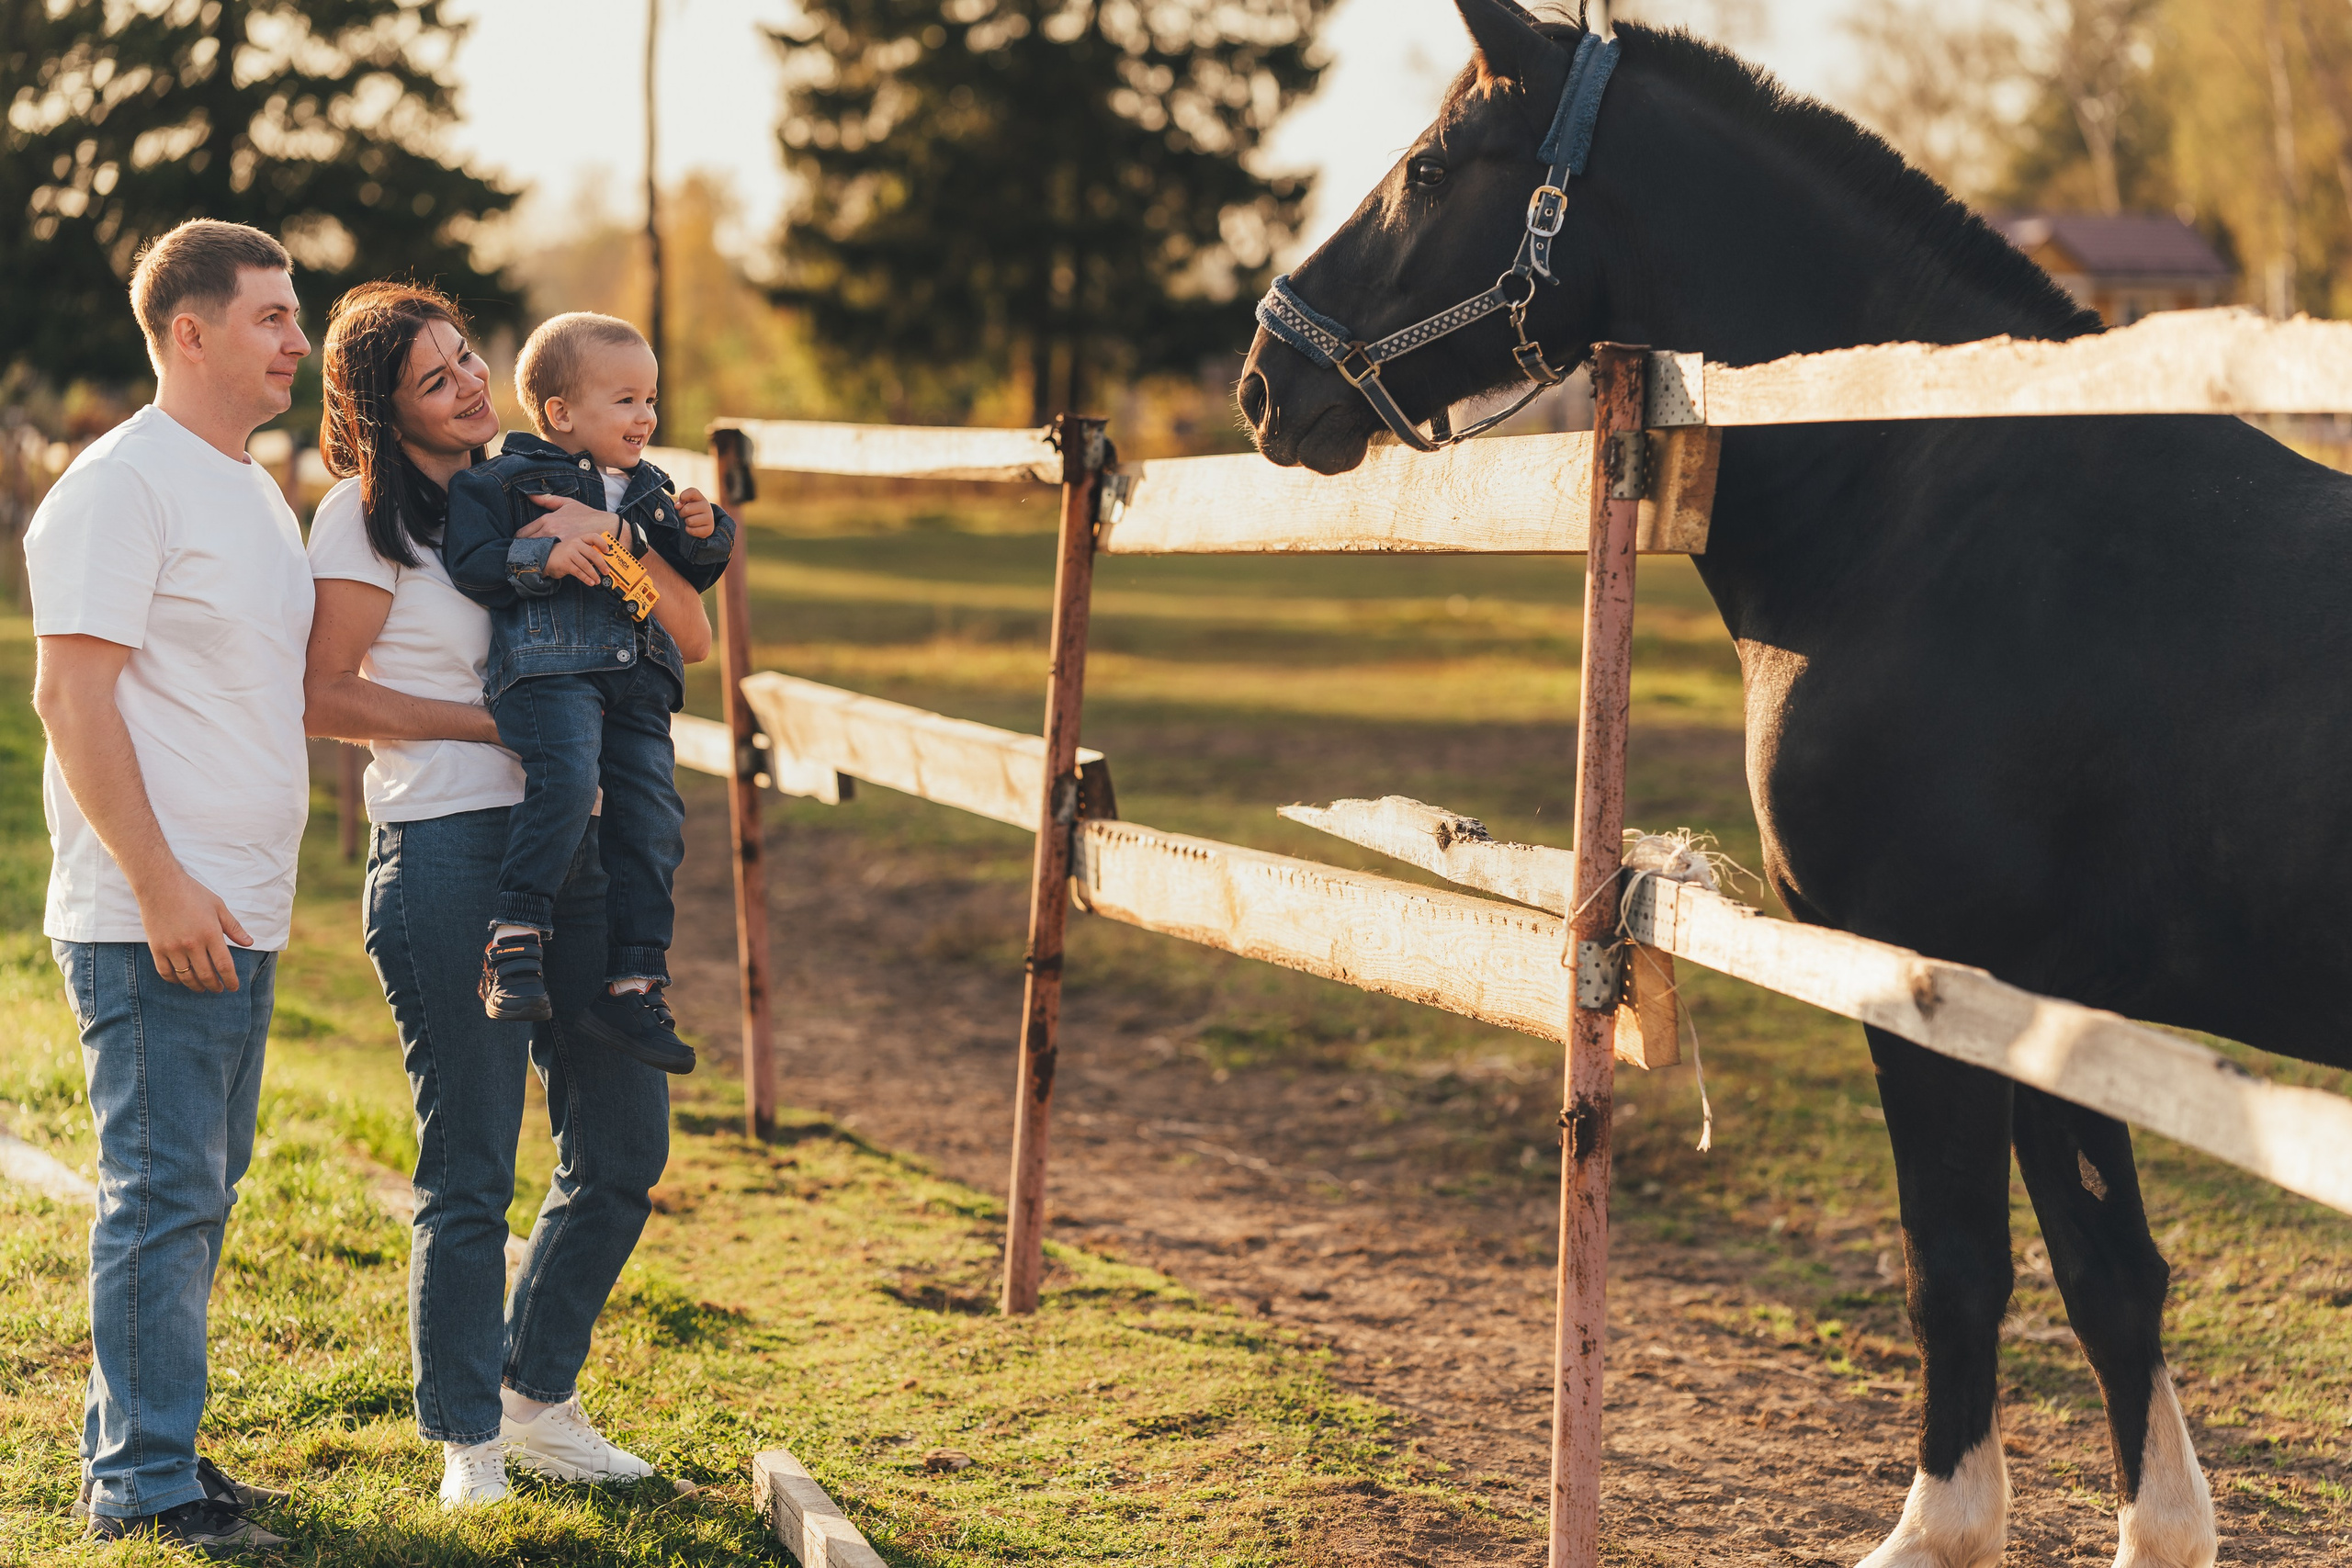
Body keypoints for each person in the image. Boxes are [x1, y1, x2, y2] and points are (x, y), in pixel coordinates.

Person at [303, 284, 711, 1506]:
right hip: (447, 849)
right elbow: (326, 694)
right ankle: (467, 1437)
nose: (470, 386)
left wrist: (614, 546)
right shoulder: (362, 521)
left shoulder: (557, 479)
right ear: (384, 411)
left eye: (469, 358)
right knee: (472, 1163)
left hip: (581, 853)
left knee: (624, 1146)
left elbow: (690, 634)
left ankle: (538, 1400)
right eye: (435, 380)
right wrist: (498, 725)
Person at [27, 220, 305, 1551]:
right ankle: (142, 1483)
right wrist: (160, 884)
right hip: (156, 917)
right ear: (188, 332)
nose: (298, 341)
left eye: (295, 314)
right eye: (271, 317)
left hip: (241, 906)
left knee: (197, 1188)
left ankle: (144, 1447)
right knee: (162, 1191)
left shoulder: (250, 490)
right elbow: (70, 699)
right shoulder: (121, 484)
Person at [439, 312, 735, 1073]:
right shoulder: (502, 482)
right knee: (568, 779)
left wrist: (706, 532)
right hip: (553, 672)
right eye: (626, 400)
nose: (646, 416)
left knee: (655, 818)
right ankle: (515, 939)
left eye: (651, 399)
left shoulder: (650, 492)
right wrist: (542, 559)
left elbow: (689, 586)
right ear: (562, 412)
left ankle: (634, 984)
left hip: (641, 681)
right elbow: (473, 561)